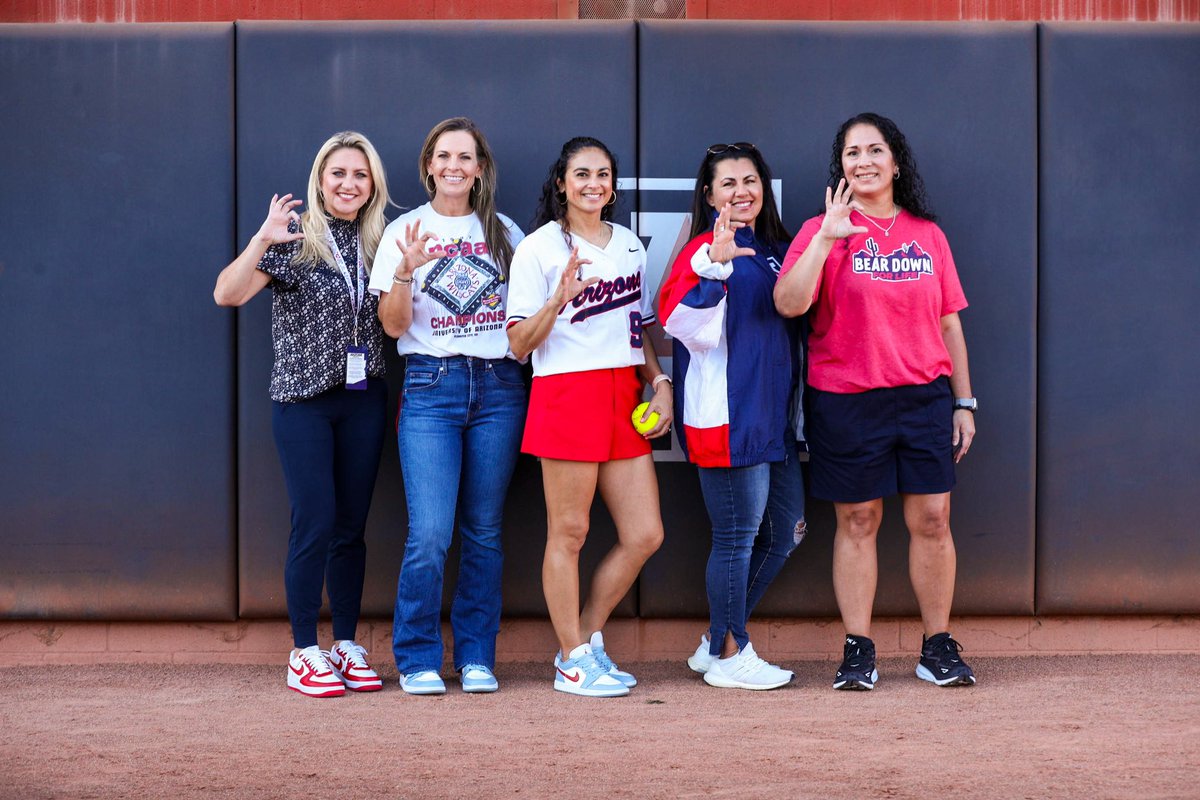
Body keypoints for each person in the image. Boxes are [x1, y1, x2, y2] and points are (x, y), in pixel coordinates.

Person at [774, 112, 977, 690]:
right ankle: (859, 649)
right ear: (840, 166)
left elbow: (950, 325)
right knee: (858, 519)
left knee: (933, 519)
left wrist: (964, 402)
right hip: (846, 398)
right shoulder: (823, 228)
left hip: (923, 397)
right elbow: (788, 303)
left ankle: (936, 646)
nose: (862, 161)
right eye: (851, 153)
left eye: (874, 150)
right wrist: (825, 239)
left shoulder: (927, 234)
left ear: (895, 160)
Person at [213, 131, 391, 698]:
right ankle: (303, 652)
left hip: (364, 399)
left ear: (372, 184)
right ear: (320, 180)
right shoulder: (293, 241)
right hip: (303, 403)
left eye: (359, 175)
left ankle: (344, 643)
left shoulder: (383, 239)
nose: (348, 184)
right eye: (338, 173)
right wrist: (260, 241)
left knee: (350, 529)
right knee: (313, 522)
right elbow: (227, 294)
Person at [506, 137, 671, 697]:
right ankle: (573, 659)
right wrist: (557, 298)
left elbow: (638, 327)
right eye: (581, 174)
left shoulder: (628, 244)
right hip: (566, 392)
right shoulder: (537, 250)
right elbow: (519, 346)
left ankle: (585, 642)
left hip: (622, 394)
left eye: (603, 174)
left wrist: (659, 382)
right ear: (561, 182)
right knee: (570, 533)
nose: (593, 183)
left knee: (645, 533)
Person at [369, 118, 526, 696]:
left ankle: (478, 656)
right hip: (430, 384)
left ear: (480, 168)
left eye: (466, 156)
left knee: (483, 531)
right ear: (428, 166)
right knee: (430, 532)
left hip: (499, 387)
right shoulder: (403, 231)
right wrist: (406, 270)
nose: (455, 165)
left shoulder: (505, 231)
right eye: (444, 156)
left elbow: (520, 322)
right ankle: (416, 657)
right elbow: (393, 326)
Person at [658, 142, 807, 691]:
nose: (741, 191)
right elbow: (678, 323)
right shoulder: (702, 248)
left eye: (750, 181)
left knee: (786, 532)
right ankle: (730, 649)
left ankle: (716, 638)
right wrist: (711, 270)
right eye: (728, 183)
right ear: (708, 194)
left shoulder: (775, 249)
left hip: (775, 421)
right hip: (727, 417)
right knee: (737, 536)